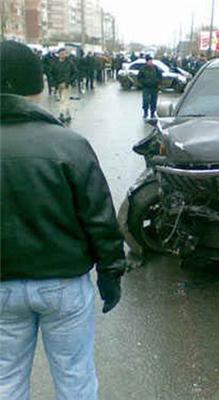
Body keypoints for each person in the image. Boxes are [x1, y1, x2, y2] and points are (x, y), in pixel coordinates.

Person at [0, 40, 126, 399]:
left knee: (5, 379)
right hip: (63, 285)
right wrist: (111, 271)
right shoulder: (69, 144)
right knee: (75, 376)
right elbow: (98, 217)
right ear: (37, 88)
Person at [52, 47, 77, 122]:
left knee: (63, 99)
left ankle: (61, 114)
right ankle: (68, 114)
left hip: (66, 84)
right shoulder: (55, 63)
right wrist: (53, 84)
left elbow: (75, 72)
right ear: (58, 54)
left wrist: (69, 81)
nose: (63, 55)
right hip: (58, 84)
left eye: (64, 53)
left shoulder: (70, 63)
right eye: (61, 53)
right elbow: (52, 73)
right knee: (63, 100)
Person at [137, 54, 162, 119]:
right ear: (146, 61)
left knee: (153, 101)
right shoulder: (143, 68)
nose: (150, 62)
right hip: (146, 88)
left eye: (151, 60)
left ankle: (152, 113)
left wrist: (157, 82)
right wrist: (144, 82)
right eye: (149, 61)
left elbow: (160, 76)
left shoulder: (156, 68)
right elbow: (139, 78)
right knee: (146, 100)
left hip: (154, 88)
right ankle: (145, 113)